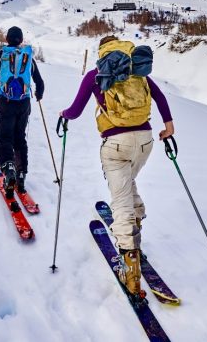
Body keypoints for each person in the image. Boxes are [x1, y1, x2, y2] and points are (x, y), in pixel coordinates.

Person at [59, 35, 174, 297]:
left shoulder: (96, 74)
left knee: (119, 198)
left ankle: (130, 265)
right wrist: (169, 126)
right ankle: (137, 218)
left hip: (116, 145)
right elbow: (159, 97)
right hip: (145, 141)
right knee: (128, 182)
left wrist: (63, 115)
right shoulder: (137, 70)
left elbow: (75, 110)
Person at [0, 26, 44, 197]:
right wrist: (38, 94)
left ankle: (9, 171)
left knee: (5, 138)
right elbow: (40, 83)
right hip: (23, 103)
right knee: (20, 138)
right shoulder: (28, 58)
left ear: (7, 38)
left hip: (5, 103)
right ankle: (21, 174)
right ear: (21, 40)